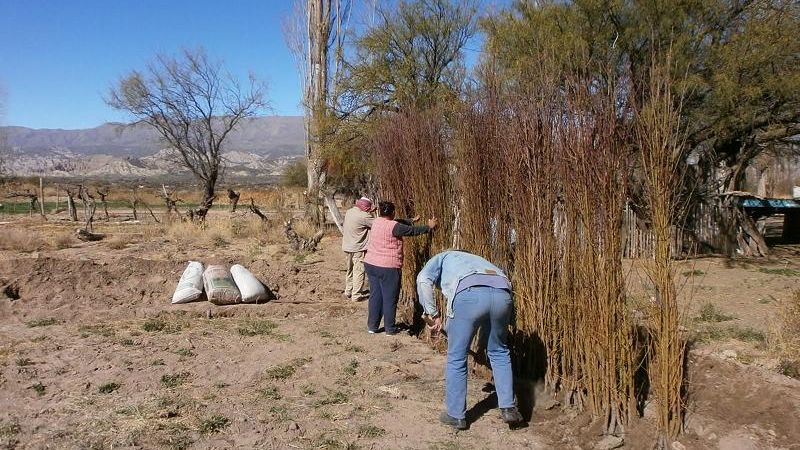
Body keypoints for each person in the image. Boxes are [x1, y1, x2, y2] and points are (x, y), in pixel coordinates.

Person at [416, 250, 523, 430]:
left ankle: (456, 415)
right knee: (499, 351)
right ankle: (509, 408)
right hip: (503, 293)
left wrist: (432, 314)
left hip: (469, 294)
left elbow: (423, 279)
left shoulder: (442, 257)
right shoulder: (480, 260)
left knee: (457, 357)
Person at [363, 201, 437, 335]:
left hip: (371, 264)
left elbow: (396, 222)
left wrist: (410, 220)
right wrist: (429, 227)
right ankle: (390, 329)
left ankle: (372, 327)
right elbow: (411, 231)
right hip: (388, 267)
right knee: (390, 297)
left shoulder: (376, 222)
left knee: (375, 296)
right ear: (392, 212)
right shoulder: (394, 226)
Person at [342, 197, 375, 302]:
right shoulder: (364, 216)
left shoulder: (349, 212)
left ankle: (348, 291)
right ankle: (356, 295)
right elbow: (377, 224)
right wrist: (371, 213)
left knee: (350, 269)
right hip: (358, 248)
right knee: (359, 271)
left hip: (347, 246)